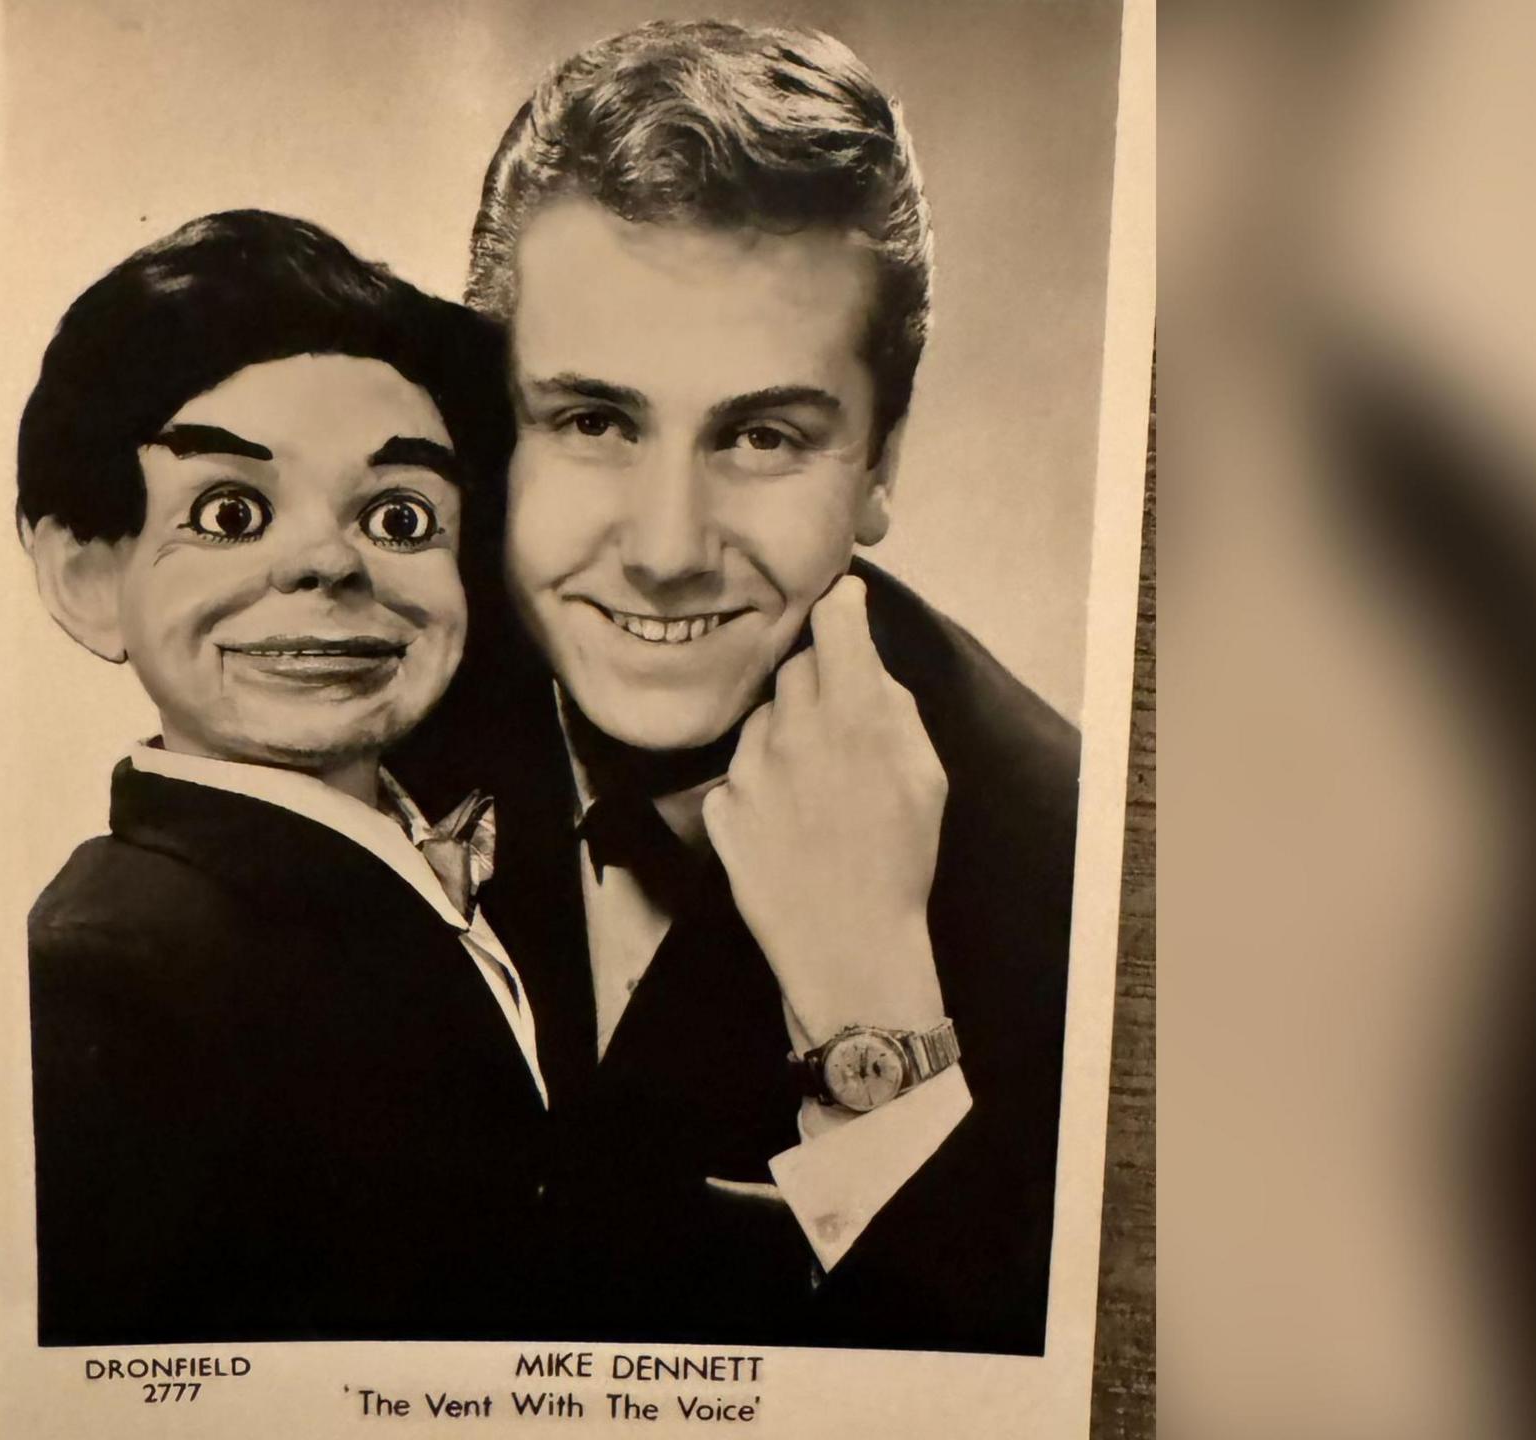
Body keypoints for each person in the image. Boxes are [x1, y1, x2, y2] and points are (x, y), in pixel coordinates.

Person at [394, 19, 1082, 1354]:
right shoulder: (376, 693)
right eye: (592, 421)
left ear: (882, 461)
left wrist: (868, 1010)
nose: (664, 551)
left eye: (764, 435)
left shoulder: (1063, 860)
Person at [16, 210, 544, 1343]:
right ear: (86, 578)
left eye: (401, 516)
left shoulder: (437, 867)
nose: (326, 560)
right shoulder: (108, 979)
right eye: (230, 513)